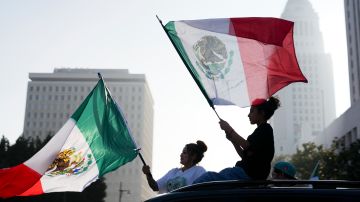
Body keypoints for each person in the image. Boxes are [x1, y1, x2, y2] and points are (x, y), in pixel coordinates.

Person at [193, 97, 280, 183]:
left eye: (252, 111)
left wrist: (229, 129)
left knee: (207, 178)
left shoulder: (265, 129)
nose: (249, 115)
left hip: (246, 173)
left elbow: (247, 146)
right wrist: (233, 140)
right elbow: (244, 155)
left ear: (262, 113)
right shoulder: (260, 132)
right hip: (245, 174)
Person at [142, 140, 208, 193]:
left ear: (193, 156)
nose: (181, 155)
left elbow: (203, 191)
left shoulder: (199, 171)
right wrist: (148, 174)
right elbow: (155, 187)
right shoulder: (173, 172)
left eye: (184, 153)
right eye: (182, 152)